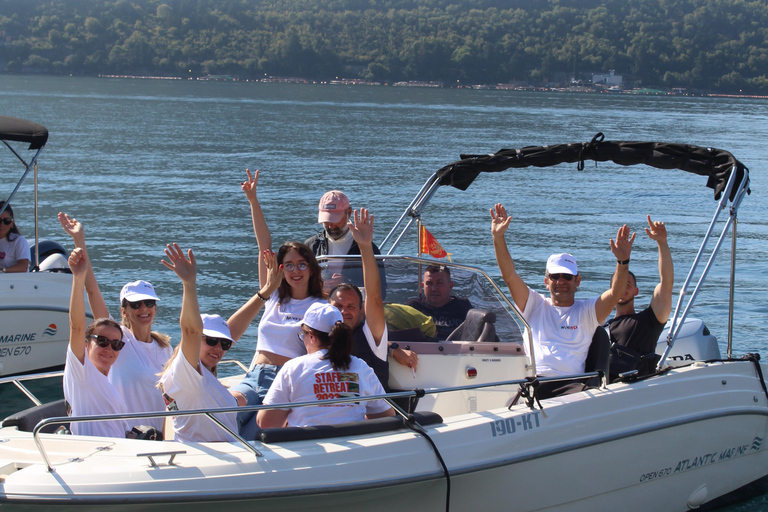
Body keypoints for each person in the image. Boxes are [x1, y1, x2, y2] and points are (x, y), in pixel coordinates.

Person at [490, 203, 634, 396]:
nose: (560, 281)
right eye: (555, 276)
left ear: (578, 281)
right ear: (546, 282)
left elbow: (616, 293)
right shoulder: (534, 304)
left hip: (571, 387)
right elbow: (509, 275)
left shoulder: (588, 311)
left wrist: (622, 261)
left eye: (567, 277)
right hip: (534, 383)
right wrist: (498, 237)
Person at [229, 169, 327, 435]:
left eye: (301, 264)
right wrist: (253, 201)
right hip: (255, 376)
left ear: (311, 268)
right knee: (223, 419)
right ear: (280, 269)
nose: (295, 271)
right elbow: (264, 244)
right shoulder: (272, 294)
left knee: (253, 438)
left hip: (286, 384)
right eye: (289, 265)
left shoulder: (320, 308)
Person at [59, 212, 173, 432]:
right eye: (136, 304)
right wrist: (79, 241)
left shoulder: (165, 347)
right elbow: (91, 292)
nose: (144, 309)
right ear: (124, 311)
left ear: (155, 307)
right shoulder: (118, 339)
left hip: (157, 436)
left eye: (149, 303)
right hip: (128, 437)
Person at [157, 243, 251, 443]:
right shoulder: (186, 372)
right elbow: (191, 330)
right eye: (211, 340)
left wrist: (264, 294)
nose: (218, 348)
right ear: (196, 339)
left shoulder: (202, 375)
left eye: (224, 345)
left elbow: (232, 331)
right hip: (207, 458)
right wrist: (189, 284)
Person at [257, 302, 394, 428]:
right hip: (354, 452)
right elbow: (386, 416)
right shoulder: (360, 367)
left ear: (311, 336)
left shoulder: (294, 368)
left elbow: (265, 423)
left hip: (308, 450)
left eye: (302, 335)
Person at [328, 208, 417, 390]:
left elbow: (374, 296)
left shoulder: (371, 336)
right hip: (326, 410)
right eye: (338, 306)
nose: (344, 311)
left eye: (351, 306)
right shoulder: (318, 336)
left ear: (362, 312)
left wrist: (365, 247)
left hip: (369, 413)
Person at [63, 247, 130, 438]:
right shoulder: (81, 373)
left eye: (116, 344)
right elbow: (76, 326)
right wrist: (78, 277)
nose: (109, 348)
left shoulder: (107, 383)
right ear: (86, 344)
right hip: (95, 458)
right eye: (102, 341)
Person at [607, 215, 673, 377]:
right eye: (620, 285)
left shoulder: (647, 322)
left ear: (636, 291)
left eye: (628, 285)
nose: (623, 289)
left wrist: (662, 243)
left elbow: (666, 283)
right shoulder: (602, 326)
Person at [305, 190, 386, 296]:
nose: (331, 226)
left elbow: (381, 293)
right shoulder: (311, 246)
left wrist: (347, 285)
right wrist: (317, 286)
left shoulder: (368, 249)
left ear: (349, 212)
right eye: (327, 221)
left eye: (335, 220)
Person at [407, 265, 473, 340]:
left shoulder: (463, 307)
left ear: (450, 285)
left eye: (439, 283)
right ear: (423, 286)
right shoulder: (413, 307)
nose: (434, 288)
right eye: (429, 283)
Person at [0, 201, 30, 273]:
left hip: (16, 281)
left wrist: (2, 271)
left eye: (6, 221)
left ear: (12, 223)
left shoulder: (18, 241)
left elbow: (24, 267)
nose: (2, 224)